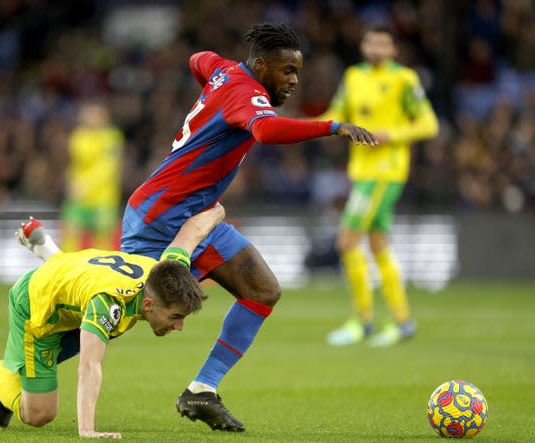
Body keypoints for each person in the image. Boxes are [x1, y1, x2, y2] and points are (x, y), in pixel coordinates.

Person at [120, 23, 378, 432]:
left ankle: (202, 390)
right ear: (260, 65)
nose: (294, 80)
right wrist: (331, 126)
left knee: (262, 290)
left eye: (297, 71)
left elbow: (197, 60)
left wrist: (213, 87)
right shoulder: (246, 93)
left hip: (197, 215)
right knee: (120, 310)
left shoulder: (224, 70)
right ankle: (25, 363)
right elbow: (267, 129)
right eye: (286, 71)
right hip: (158, 216)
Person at [0, 204, 225, 439]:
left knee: (94, 316)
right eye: (176, 317)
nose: (179, 326)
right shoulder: (109, 303)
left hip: (73, 286)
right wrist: (87, 430)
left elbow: (190, 233)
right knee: (39, 414)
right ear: (149, 304)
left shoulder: (165, 271)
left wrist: (216, 208)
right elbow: (89, 365)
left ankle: (45, 248)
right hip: (37, 309)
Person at [316, 26, 439, 347]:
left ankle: (363, 321)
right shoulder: (354, 76)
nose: (377, 48)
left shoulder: (405, 79)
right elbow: (337, 113)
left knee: (346, 241)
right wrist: (307, 127)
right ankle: (403, 322)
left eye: (384, 43)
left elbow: (429, 123)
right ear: (363, 45)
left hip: (385, 172)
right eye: (372, 41)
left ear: (394, 49)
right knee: (378, 245)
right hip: (362, 171)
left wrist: (390, 134)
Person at [61, 101, 125, 251]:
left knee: (102, 238)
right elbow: (75, 165)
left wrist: (86, 184)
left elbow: (109, 168)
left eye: (94, 115)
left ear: (104, 117)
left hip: (104, 197)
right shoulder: (78, 137)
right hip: (79, 196)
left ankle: (101, 270)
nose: (90, 119)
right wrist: (71, 184)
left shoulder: (112, 137)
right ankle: (67, 266)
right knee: (70, 232)